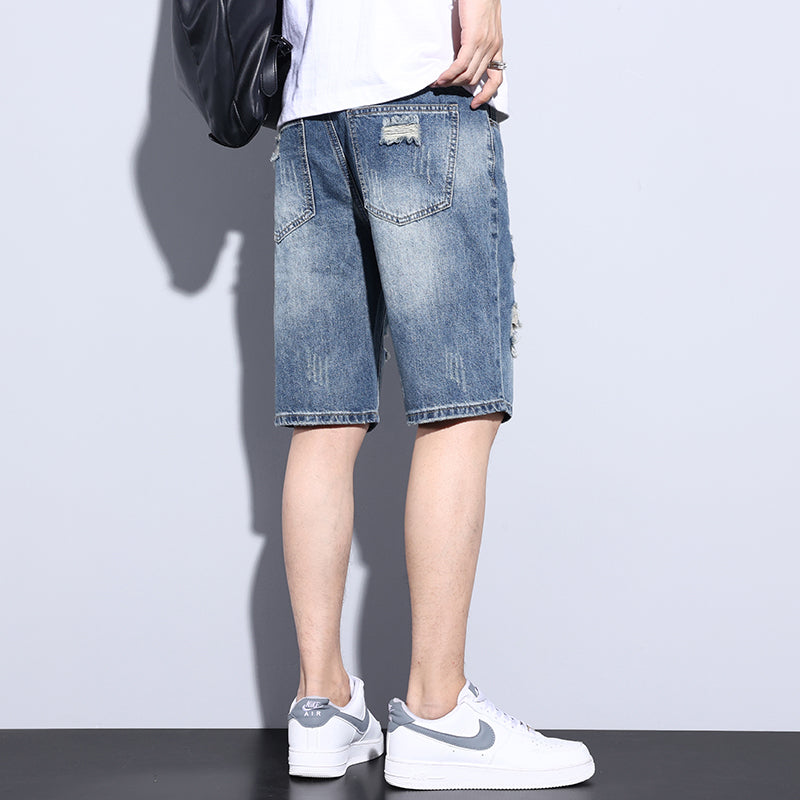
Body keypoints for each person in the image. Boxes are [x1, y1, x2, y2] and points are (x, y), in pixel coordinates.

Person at [272, 0, 595, 790]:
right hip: (419, 84)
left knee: (324, 421)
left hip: (308, 113)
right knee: (459, 406)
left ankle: (322, 704)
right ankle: (439, 713)